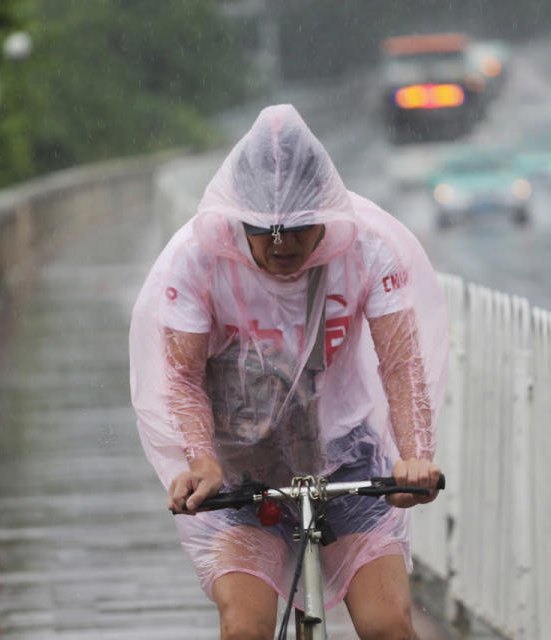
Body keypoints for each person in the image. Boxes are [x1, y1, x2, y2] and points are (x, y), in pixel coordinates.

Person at [129, 104, 448, 640]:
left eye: (299, 229)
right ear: (238, 220)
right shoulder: (198, 259)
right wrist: (201, 461)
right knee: (244, 627)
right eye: (264, 230)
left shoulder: (368, 248)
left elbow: (400, 362)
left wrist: (414, 458)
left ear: (324, 214)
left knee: (389, 624)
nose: (282, 246)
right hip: (239, 467)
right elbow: (182, 377)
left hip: (346, 458)